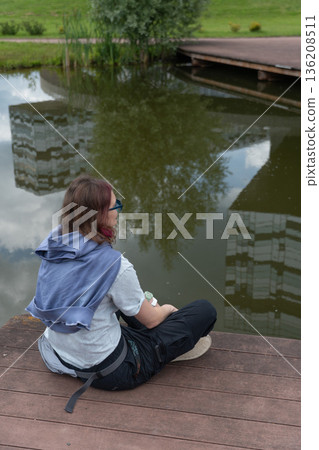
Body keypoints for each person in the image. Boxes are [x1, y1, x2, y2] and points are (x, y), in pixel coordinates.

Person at [26, 175, 217, 413]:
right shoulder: (115, 265)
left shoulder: (54, 245)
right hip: (112, 370)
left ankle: (146, 320)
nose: (118, 210)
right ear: (98, 215)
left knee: (128, 303)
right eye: (114, 206)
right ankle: (163, 346)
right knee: (204, 311)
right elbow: (152, 320)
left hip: (55, 353)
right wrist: (166, 309)